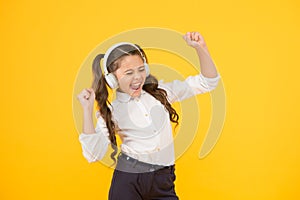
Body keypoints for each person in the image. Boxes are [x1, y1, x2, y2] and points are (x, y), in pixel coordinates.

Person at [76, 31, 220, 200]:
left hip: (163, 179)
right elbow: (93, 155)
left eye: (141, 70)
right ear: (112, 80)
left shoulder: (162, 93)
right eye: (128, 73)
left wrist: (201, 49)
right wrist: (86, 109)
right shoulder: (112, 111)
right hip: (128, 179)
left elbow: (207, 82)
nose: (137, 77)